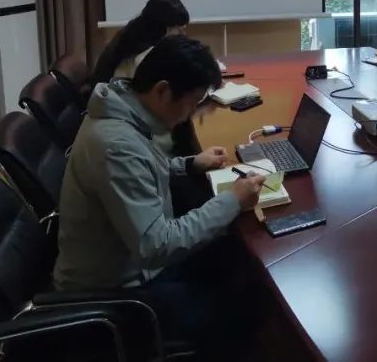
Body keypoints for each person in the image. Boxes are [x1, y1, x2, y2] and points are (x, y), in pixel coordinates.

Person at [53, 36, 265, 357]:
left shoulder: (124, 109)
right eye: (191, 103)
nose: (191, 113)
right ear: (162, 90)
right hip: (119, 295)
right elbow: (156, 246)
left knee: (234, 255)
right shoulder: (115, 145)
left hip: (130, 265)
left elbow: (141, 170)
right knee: (246, 307)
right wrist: (232, 200)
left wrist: (189, 164)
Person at [91, 0, 190, 84]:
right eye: (180, 29)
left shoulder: (128, 38)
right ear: (165, 28)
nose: (183, 35)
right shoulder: (144, 57)